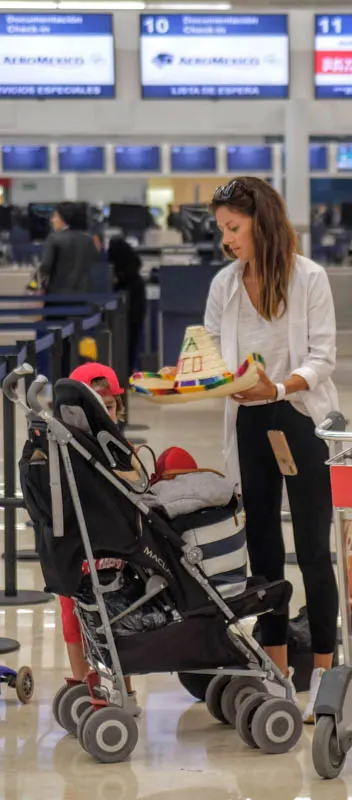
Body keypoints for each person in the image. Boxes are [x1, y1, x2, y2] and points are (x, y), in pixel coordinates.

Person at [204, 176, 339, 722]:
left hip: (300, 418)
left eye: (233, 228)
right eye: (221, 230)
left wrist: (280, 387)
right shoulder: (226, 283)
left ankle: (326, 674)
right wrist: (200, 376)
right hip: (249, 421)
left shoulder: (310, 278)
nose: (227, 239)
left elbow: (323, 355)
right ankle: (278, 670)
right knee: (262, 551)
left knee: (312, 549)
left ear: (261, 221)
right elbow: (212, 347)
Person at [58, 363, 137, 704]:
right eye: (97, 406)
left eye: (110, 406)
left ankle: (126, 685)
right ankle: (80, 680)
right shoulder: (62, 450)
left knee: (122, 611)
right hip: (76, 546)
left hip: (116, 547)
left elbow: (137, 482)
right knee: (71, 608)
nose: (105, 413)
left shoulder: (122, 447)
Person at [39, 202, 101, 295]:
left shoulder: (53, 239)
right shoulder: (88, 240)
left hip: (57, 295)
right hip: (83, 296)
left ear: (63, 219)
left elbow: (45, 266)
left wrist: (37, 286)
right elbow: (96, 261)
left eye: (55, 216)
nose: (52, 220)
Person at [107, 236, 147, 373]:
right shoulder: (133, 265)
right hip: (137, 306)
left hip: (126, 309)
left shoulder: (119, 272)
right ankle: (128, 371)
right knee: (133, 341)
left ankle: (122, 372)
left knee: (121, 343)